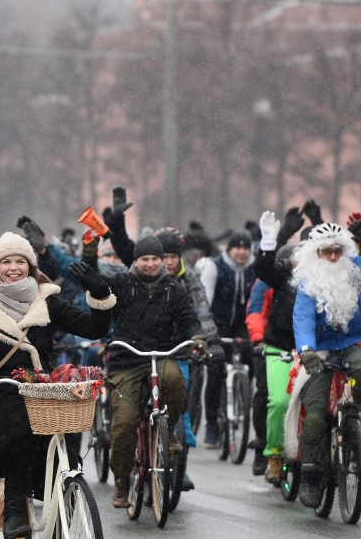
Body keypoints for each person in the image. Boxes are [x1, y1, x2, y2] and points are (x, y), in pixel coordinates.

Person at [0, 231, 115, 539]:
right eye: (7, 262)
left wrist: (100, 292)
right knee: (18, 428)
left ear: (30, 265)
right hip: (0, 391)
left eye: (21, 261)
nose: (14, 268)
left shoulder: (46, 299)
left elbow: (94, 328)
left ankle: (64, 510)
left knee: (68, 437)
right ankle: (14, 508)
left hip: (41, 389)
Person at [292, 220, 361, 505]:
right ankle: (311, 473)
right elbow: (302, 319)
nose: (334, 257)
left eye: (338, 251)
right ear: (316, 253)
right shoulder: (307, 282)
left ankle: (355, 420)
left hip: (351, 344)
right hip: (319, 351)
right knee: (314, 416)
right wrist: (306, 350)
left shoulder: (356, 269)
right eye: (327, 252)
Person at [98, 235, 203, 507]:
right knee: (123, 423)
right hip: (126, 360)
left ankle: (169, 429)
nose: (151, 264)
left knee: (174, 380)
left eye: (155, 259)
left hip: (162, 354)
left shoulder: (174, 289)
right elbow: (98, 291)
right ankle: (121, 481)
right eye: (145, 259)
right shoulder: (122, 284)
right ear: (136, 261)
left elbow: (188, 318)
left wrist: (198, 338)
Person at [250, 206, 307, 484]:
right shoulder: (284, 275)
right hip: (278, 349)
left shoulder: (322, 279)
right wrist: (270, 241)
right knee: (278, 401)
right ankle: (272, 453)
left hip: (310, 351)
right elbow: (262, 270)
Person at [199, 231, 255, 447]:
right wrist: (208, 333)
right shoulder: (215, 266)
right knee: (215, 370)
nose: (241, 252)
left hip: (244, 325)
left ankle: (243, 394)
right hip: (217, 325)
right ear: (229, 250)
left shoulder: (254, 268)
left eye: (245, 248)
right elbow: (204, 301)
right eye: (237, 248)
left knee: (251, 358)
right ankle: (212, 425)